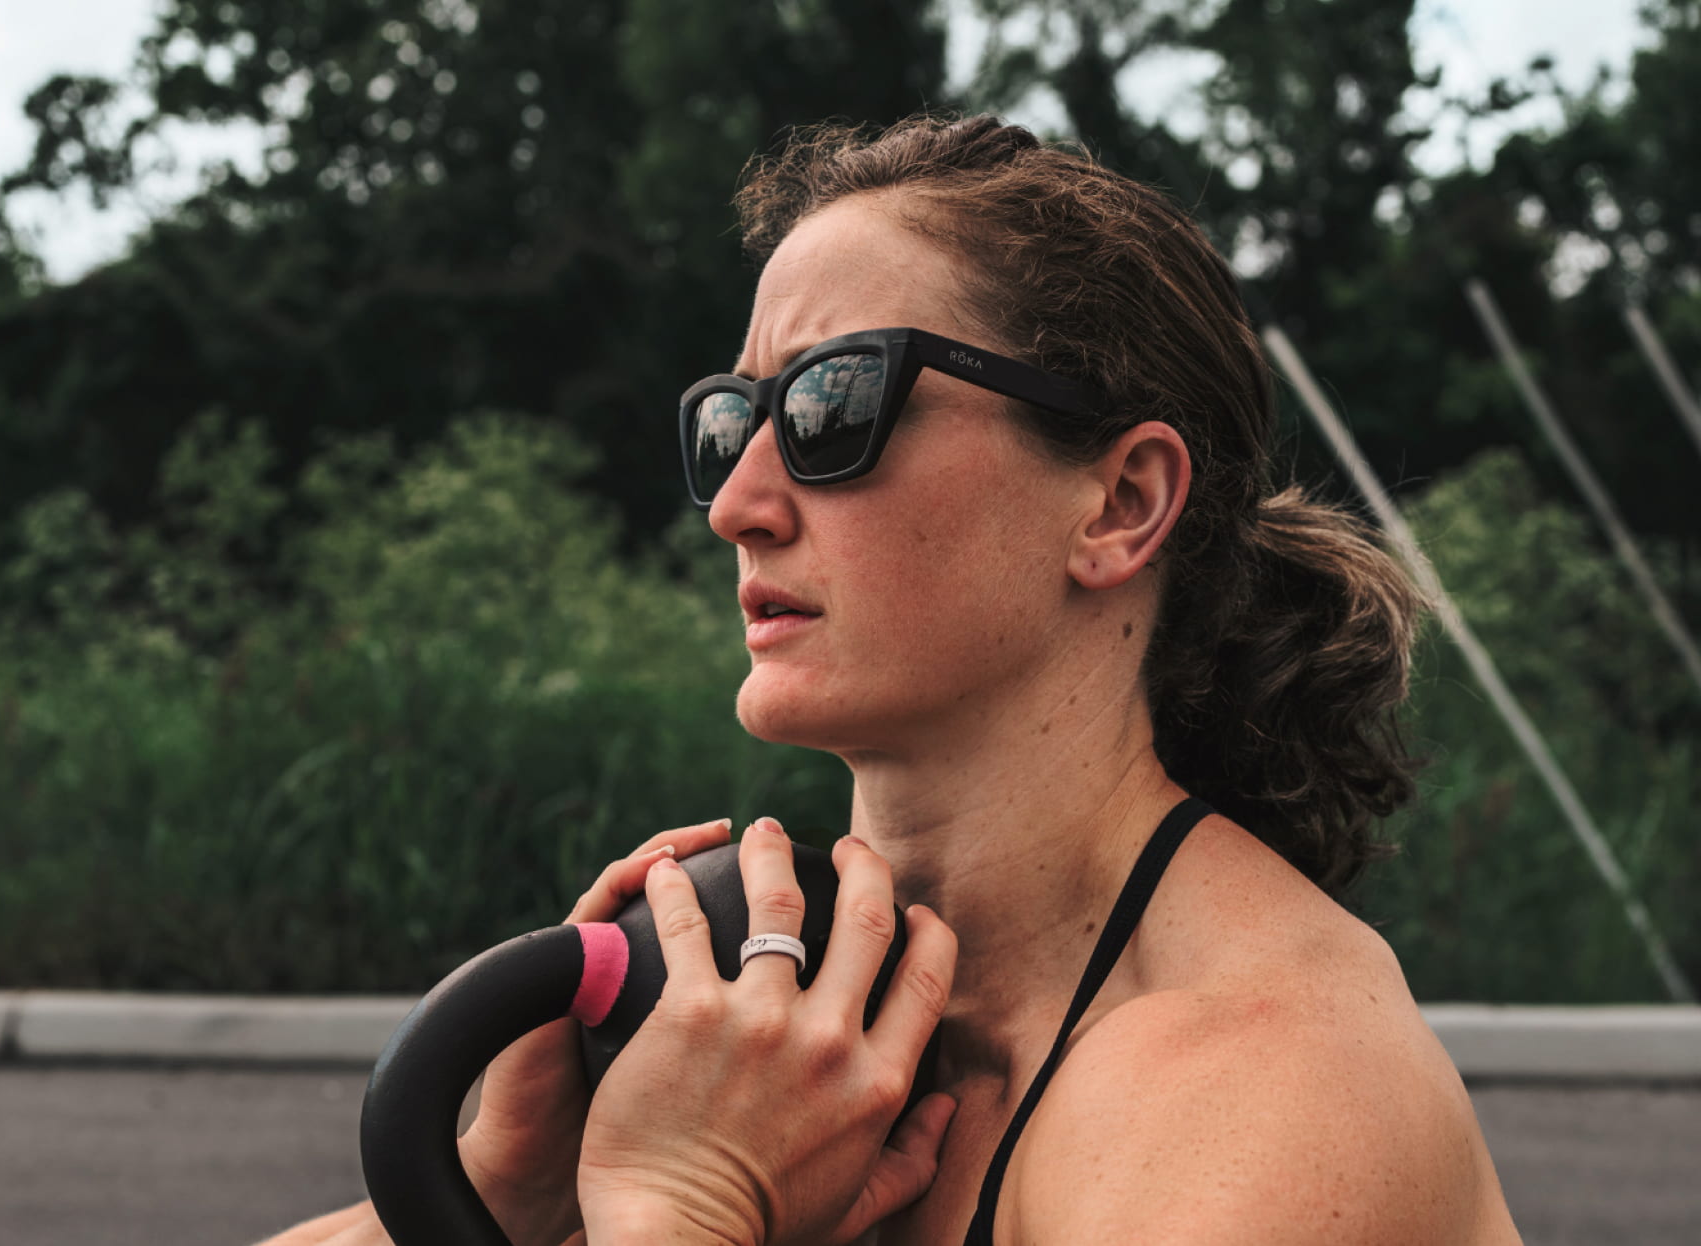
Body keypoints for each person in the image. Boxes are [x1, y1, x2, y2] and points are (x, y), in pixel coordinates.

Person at [259, 114, 1521, 1245]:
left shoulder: (1266, 1090)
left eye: (832, 406)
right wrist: (495, 1198)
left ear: (1121, 502)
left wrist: (682, 1204)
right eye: (731, 423)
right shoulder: (781, 1051)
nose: (739, 505)